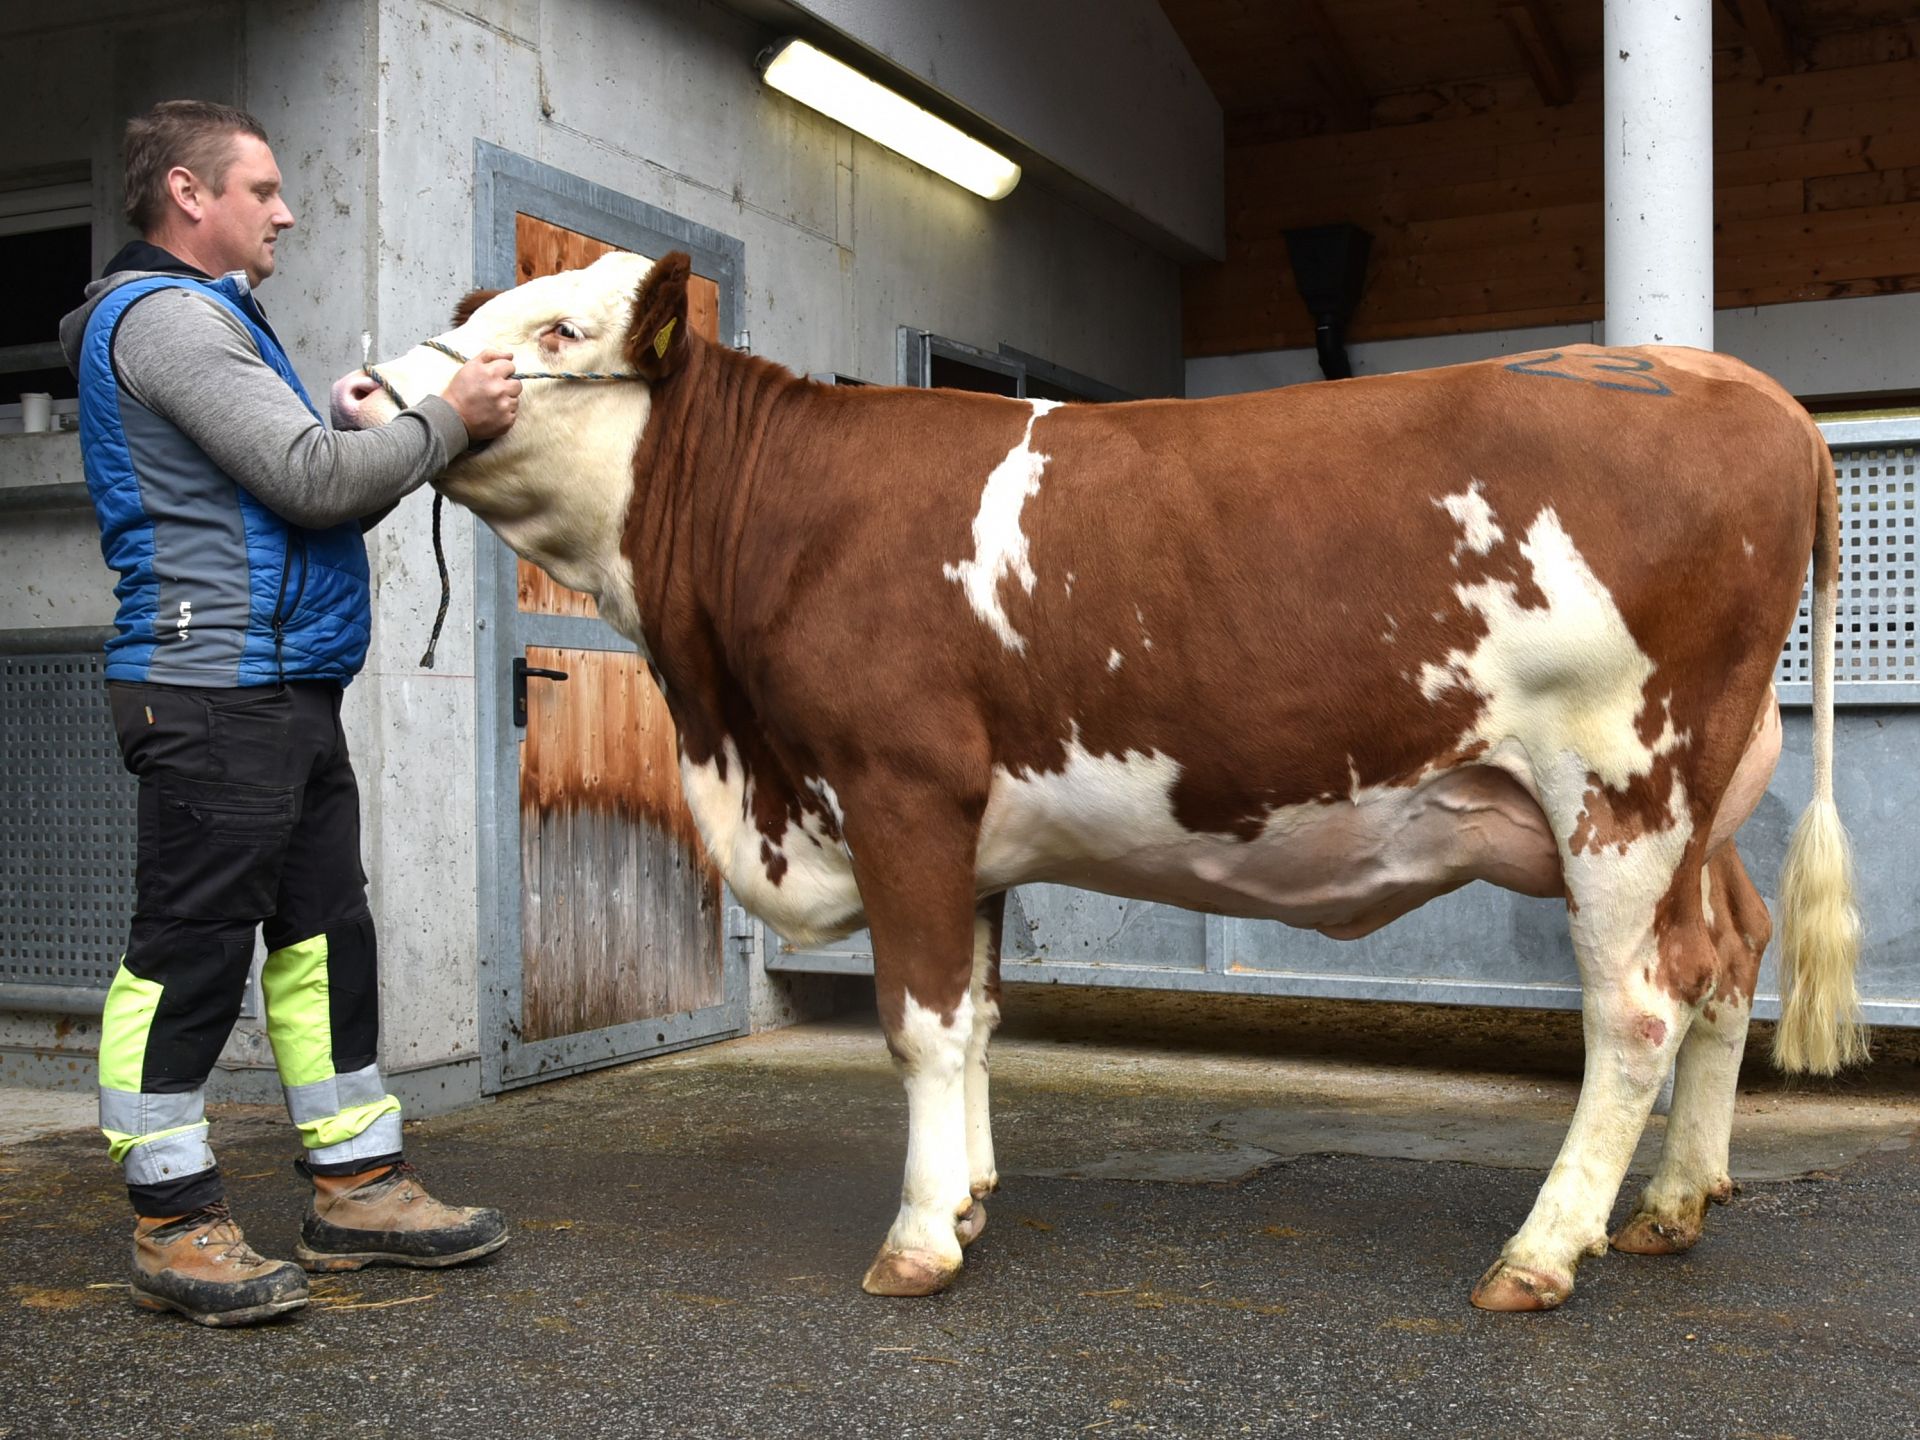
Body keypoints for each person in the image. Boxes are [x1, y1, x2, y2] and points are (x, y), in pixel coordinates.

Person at [58, 99, 519, 1328]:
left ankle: (357, 1187)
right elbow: (312, 481)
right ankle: (171, 1220)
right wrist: (445, 421)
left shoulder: (220, 323)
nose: (288, 208)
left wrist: (388, 440)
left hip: (284, 688)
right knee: (190, 950)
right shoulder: (161, 320)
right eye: (261, 189)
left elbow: (308, 500)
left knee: (324, 939)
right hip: (210, 690)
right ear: (189, 197)